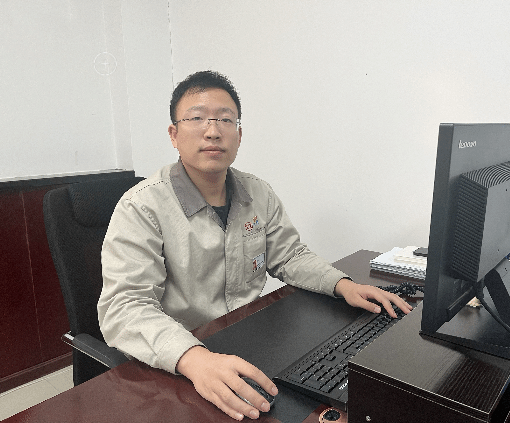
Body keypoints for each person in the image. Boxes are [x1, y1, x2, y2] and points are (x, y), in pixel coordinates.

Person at [97, 70, 412, 421]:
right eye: (197, 118)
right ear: (174, 134)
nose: (213, 131)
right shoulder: (141, 207)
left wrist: (342, 285)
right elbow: (125, 306)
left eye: (225, 119)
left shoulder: (257, 192)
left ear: (239, 134)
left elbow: (290, 256)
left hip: (251, 340)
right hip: (180, 359)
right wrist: (194, 358)